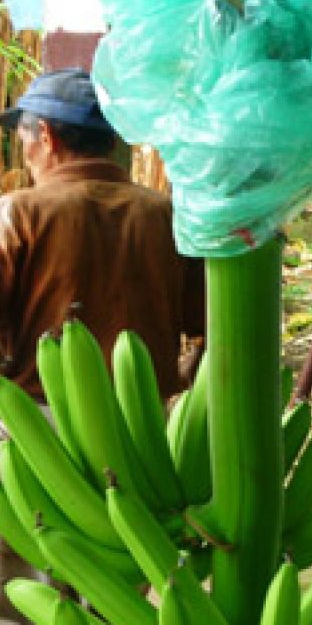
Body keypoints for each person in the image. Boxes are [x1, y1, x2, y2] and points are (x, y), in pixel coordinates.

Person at [0, 68, 204, 620]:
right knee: (116, 575)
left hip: (35, 420)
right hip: (140, 430)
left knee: (27, 572)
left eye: (23, 137)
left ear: (47, 137)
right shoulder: (165, 215)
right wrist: (176, 386)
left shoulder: (20, 212)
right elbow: (205, 328)